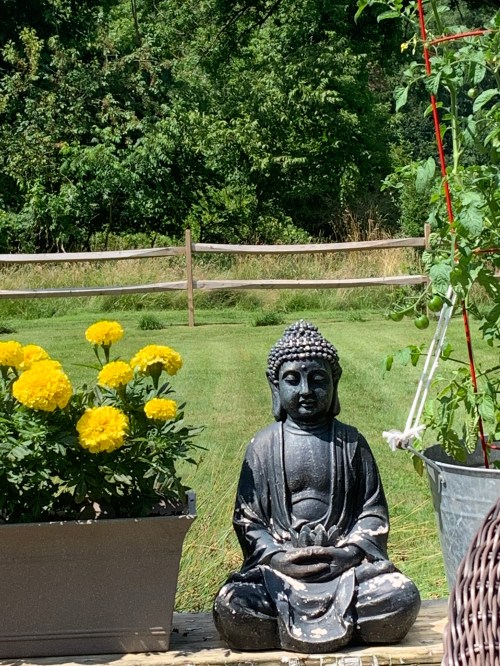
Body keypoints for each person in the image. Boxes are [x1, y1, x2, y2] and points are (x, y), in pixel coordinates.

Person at [213, 321, 421, 653]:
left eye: (318, 380)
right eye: (292, 380)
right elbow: (248, 520)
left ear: (334, 384)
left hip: (346, 571)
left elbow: (372, 513)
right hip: (279, 574)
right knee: (233, 605)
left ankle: (322, 621)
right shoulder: (263, 446)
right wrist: (277, 558)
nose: (306, 390)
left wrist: (349, 553)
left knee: (401, 596)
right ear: (275, 386)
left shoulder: (352, 443)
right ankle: (332, 624)